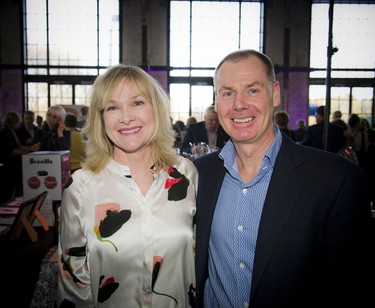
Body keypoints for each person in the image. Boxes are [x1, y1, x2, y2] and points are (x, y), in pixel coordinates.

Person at [193, 49, 373, 308]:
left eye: (252, 90)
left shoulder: (336, 180)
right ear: (216, 100)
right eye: (228, 92)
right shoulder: (199, 174)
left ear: (275, 93)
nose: (239, 104)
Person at [57, 64, 198, 307]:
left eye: (137, 102)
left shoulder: (185, 174)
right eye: (112, 107)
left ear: (157, 108)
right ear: (101, 118)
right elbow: (73, 278)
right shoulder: (80, 186)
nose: (125, 117)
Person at [0, 111, 39, 202]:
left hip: (12, 166)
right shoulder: (5, 133)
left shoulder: (10, 131)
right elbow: (11, 151)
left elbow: (18, 146)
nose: (20, 123)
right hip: (8, 167)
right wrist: (27, 153)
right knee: (9, 191)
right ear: (14, 122)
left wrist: (30, 149)